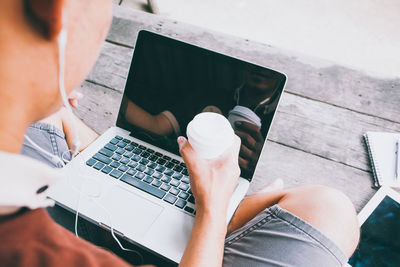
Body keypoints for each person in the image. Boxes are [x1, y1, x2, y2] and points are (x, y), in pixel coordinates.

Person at [0, 1, 360, 267]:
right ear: (58, 11)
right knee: (331, 210)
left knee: (326, 208)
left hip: (67, 184)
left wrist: (42, 102)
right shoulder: (37, 251)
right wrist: (213, 209)